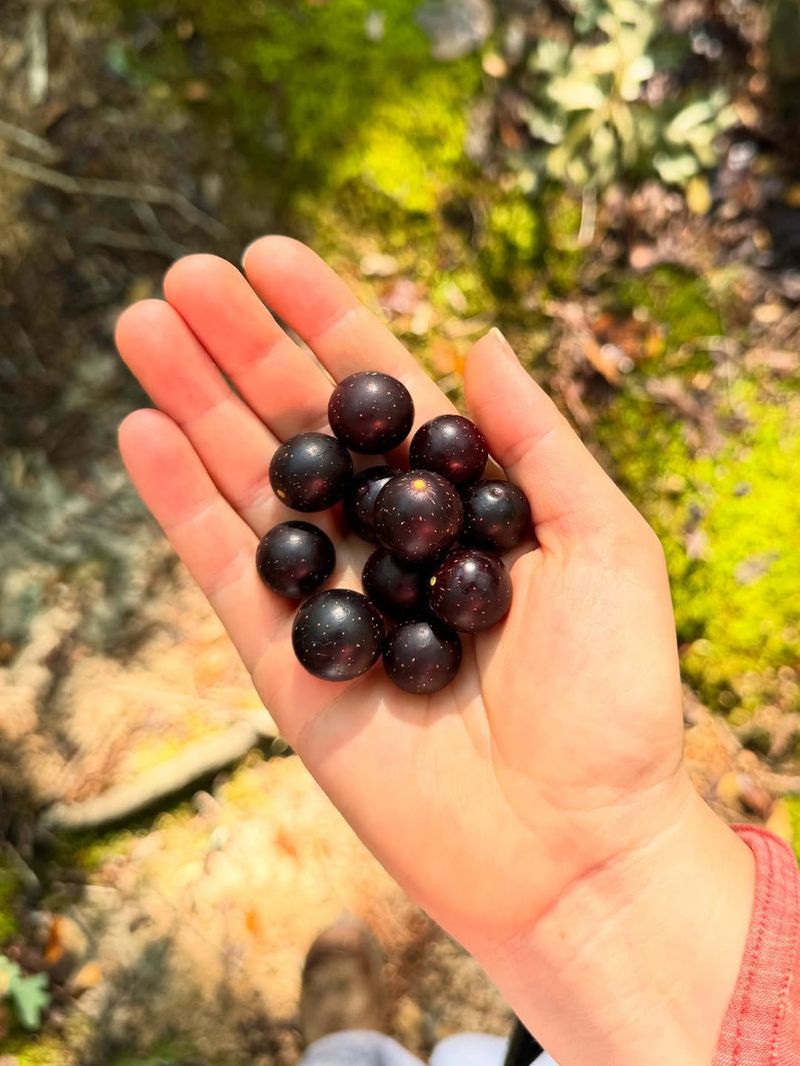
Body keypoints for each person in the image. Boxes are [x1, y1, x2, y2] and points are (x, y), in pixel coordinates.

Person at [114, 237, 800, 1066]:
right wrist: (620, 888)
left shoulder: (435, 564)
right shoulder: (379, 538)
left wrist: (614, 856)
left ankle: (353, 1047)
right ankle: (358, 1046)